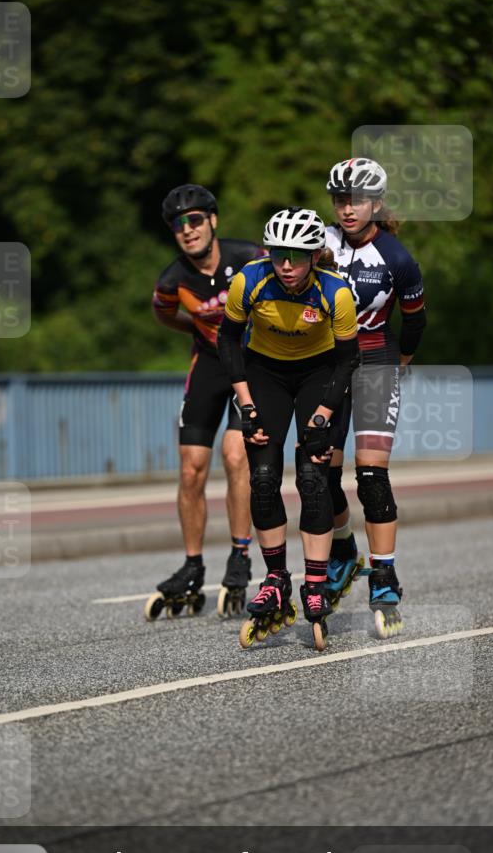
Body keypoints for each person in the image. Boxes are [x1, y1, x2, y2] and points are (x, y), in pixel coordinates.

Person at [217, 207, 359, 650]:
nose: (287, 264)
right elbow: (227, 340)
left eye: (297, 255)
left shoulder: (336, 293)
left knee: (314, 475)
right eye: (280, 253)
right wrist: (246, 405)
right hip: (266, 374)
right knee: (262, 477)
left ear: (314, 255)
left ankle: (314, 585)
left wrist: (321, 418)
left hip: (322, 374)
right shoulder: (249, 280)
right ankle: (275, 578)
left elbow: (347, 359)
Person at [146, 184, 264, 621]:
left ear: (213, 221)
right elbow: (163, 312)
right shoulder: (173, 279)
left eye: (195, 220)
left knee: (235, 455)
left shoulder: (250, 256)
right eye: (178, 225)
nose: (187, 230)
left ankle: (239, 555)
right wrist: (196, 329)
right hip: (210, 364)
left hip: (253, 365)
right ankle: (193, 565)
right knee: (191, 466)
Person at [323, 157, 427, 637]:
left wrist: (398, 363)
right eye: (340, 199)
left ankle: (384, 577)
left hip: (376, 361)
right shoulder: (321, 243)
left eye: (357, 200)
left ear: (376, 203)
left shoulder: (397, 259)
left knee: (370, 474)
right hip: (326, 365)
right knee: (318, 471)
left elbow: (416, 321)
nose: (347, 208)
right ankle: (344, 551)